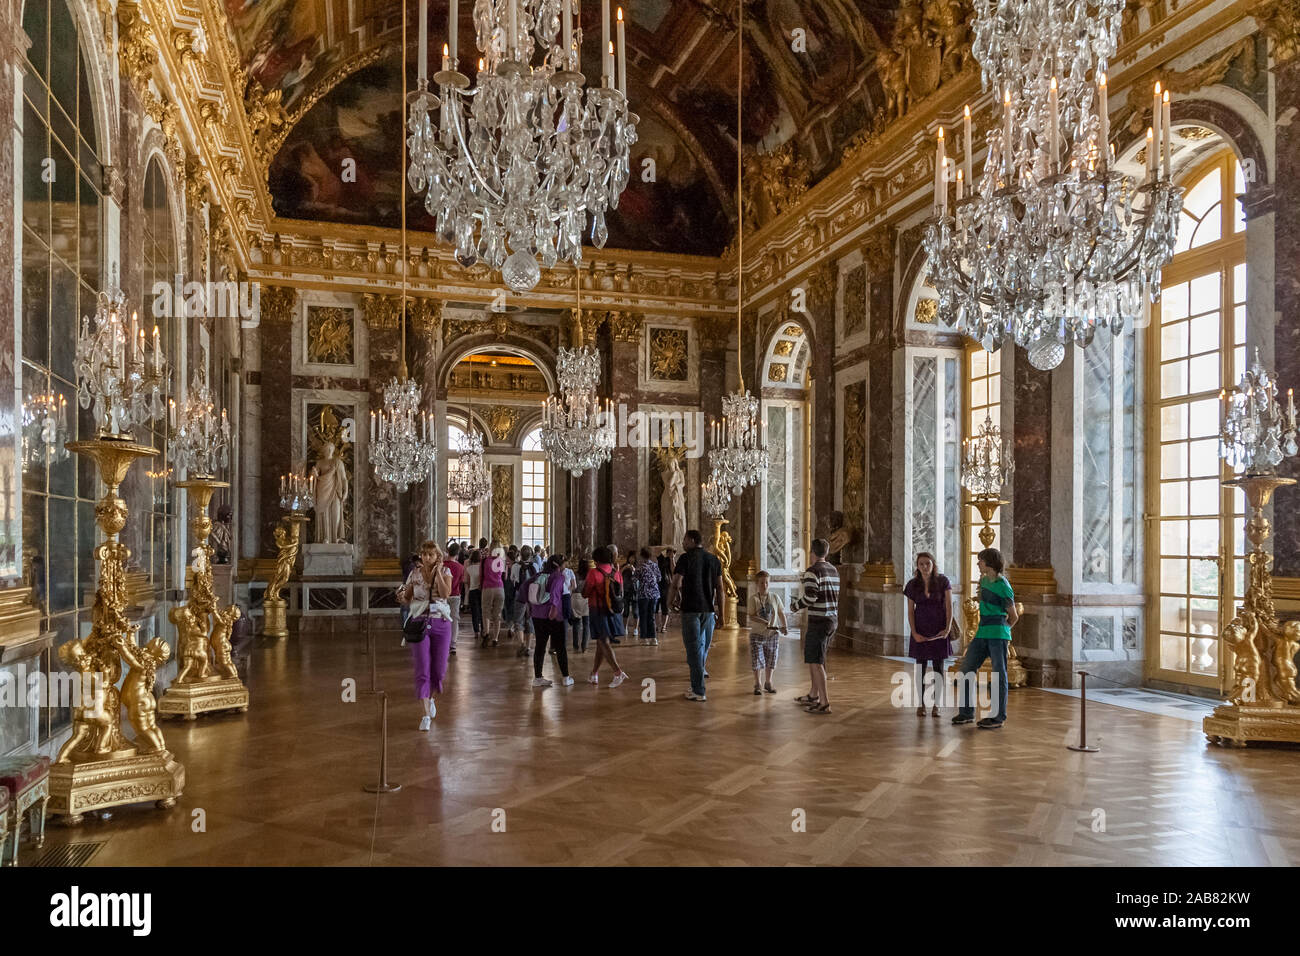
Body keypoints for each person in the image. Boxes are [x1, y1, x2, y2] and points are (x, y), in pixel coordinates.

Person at [953, 548, 1017, 729]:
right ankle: (966, 712)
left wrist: (1003, 631)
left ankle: (998, 716)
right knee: (966, 668)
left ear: (989, 562)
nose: (978, 564)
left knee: (998, 675)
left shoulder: (1003, 585)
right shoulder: (983, 581)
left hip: (997, 634)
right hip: (982, 633)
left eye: (980, 560)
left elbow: (1013, 616)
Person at [397, 540, 454, 730]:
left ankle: (430, 699)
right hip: (420, 622)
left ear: (437, 556)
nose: (427, 558)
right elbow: (408, 599)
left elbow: (446, 593)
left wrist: (437, 573)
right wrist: (402, 597)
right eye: (424, 554)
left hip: (441, 623)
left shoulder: (445, 572)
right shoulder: (414, 574)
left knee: (438, 671)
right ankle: (425, 715)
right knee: (423, 669)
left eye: (431, 554)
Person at [672, 530, 723, 701]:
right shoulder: (714, 560)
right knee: (702, 649)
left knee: (694, 651)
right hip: (708, 612)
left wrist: (669, 602)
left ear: (693, 540)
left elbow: (675, 583)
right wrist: (721, 614)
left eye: (684, 540)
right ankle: (696, 685)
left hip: (691, 611)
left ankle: (699, 691)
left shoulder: (685, 559)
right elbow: (720, 589)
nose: (683, 543)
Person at [791, 538, 840, 715]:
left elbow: (811, 597)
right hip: (832, 619)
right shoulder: (833, 570)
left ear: (812, 552)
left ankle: (824, 702)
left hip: (819, 621)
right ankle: (813, 694)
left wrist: (795, 606)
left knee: (817, 661)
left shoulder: (812, 571)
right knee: (816, 659)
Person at [904, 552, 953, 717]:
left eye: (927, 563)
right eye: (921, 564)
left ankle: (937, 704)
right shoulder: (912, 585)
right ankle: (921, 703)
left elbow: (949, 607)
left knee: (939, 667)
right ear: (917, 566)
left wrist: (947, 629)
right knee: (920, 667)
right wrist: (914, 632)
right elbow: (910, 611)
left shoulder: (942, 581)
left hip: (939, 629)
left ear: (933, 564)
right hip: (921, 629)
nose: (925, 567)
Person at [584, 545, 631, 687]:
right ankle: (594, 674)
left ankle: (618, 672)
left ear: (597, 559)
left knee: (603, 641)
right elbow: (621, 592)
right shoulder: (616, 572)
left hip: (598, 611)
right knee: (601, 642)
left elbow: (585, 592)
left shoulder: (593, 573)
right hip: (613, 611)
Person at [530, 555, 574, 687]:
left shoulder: (538, 575)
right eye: (563, 564)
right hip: (553, 615)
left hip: (537, 615)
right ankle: (566, 677)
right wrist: (554, 608)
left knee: (540, 646)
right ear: (558, 565)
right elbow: (555, 592)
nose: (564, 567)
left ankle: (538, 678)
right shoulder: (558, 576)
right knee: (560, 647)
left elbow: (528, 589)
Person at [747, 570, 788, 695]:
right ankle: (757, 683)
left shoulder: (775, 597)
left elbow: (781, 613)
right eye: (761, 583)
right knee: (757, 659)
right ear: (756, 584)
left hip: (772, 635)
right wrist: (764, 622)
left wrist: (785, 626)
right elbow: (752, 616)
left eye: (766, 583)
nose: (764, 585)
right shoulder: (753, 599)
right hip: (757, 634)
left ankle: (768, 682)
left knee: (771, 658)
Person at [509, 546, 538, 658]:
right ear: (531, 555)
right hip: (532, 596)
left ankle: (521, 643)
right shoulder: (534, 566)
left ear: (520, 554)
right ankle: (528, 646)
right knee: (530, 620)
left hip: (520, 595)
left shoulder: (516, 566)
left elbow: (512, 580)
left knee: (518, 620)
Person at [481, 544, 507, 645]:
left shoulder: (485, 560)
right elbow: (505, 576)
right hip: (499, 587)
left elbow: (481, 575)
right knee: (497, 614)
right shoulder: (502, 561)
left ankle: (487, 633)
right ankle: (495, 638)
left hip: (487, 587)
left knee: (486, 611)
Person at [636, 547, 661, 646]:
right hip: (654, 594)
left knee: (643, 616)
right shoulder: (654, 565)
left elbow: (634, 579)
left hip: (643, 594)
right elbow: (659, 578)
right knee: (651, 616)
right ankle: (653, 638)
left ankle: (644, 639)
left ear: (642, 555)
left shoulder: (640, 567)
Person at [444, 542, 465, 654]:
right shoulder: (460, 567)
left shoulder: (442, 565)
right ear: (457, 554)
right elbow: (461, 582)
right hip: (455, 595)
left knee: (442, 618)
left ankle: (443, 641)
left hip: (443, 595)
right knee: (454, 620)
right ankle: (453, 643)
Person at [571, 559, 591, 653]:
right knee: (586, 624)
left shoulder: (575, 574)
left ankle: (575, 646)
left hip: (576, 598)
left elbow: (573, 587)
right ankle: (584, 646)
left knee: (576, 624)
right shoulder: (589, 575)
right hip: (586, 598)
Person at [465, 548, 484, 646]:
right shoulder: (482, 567)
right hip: (482, 591)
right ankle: (484, 629)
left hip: (472, 591)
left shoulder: (469, 568)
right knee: (482, 610)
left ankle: (476, 631)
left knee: (474, 612)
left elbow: (467, 581)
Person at [623, 550, 641, 638]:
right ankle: (624, 628)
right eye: (630, 557)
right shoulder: (624, 566)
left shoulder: (638, 568)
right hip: (626, 591)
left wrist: (634, 571)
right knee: (625, 611)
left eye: (633, 558)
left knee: (636, 612)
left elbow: (638, 580)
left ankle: (635, 629)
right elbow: (618, 576)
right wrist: (624, 568)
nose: (632, 559)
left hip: (635, 592)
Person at [656, 548, 674, 632]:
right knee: (656, 607)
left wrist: (672, 558)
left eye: (672, 553)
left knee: (665, 607)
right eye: (669, 552)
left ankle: (663, 627)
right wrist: (666, 547)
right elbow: (657, 551)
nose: (671, 554)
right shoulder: (662, 558)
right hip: (658, 584)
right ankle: (656, 625)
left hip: (667, 586)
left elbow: (673, 570)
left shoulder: (672, 561)